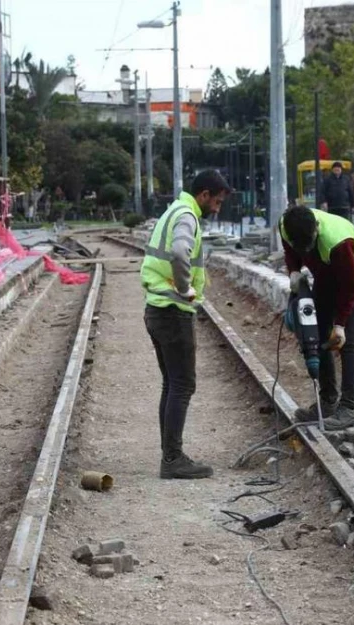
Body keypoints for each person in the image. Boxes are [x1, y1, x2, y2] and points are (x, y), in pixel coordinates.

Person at [141, 169, 231, 479]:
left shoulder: (174, 210)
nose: (217, 209)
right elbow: (180, 252)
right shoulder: (187, 216)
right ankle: (172, 460)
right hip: (172, 311)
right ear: (204, 195)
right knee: (182, 385)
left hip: (156, 309)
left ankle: (170, 454)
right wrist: (184, 288)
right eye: (216, 202)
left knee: (172, 384)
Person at [280, 206, 354, 428]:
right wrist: (293, 269)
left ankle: (348, 409)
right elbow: (289, 250)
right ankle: (328, 400)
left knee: (347, 342)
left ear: (316, 230)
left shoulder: (337, 242)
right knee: (317, 334)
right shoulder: (286, 226)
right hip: (324, 274)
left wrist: (340, 324)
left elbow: (351, 287)